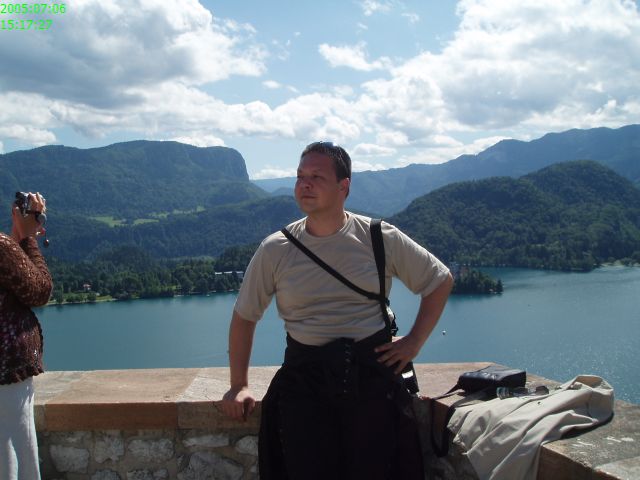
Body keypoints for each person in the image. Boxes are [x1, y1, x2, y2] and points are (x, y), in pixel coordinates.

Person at [220, 142, 453, 479]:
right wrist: (238, 385)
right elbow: (244, 317)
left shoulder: (379, 238)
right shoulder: (275, 249)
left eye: (316, 177)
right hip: (304, 384)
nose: (305, 184)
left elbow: (439, 280)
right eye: (300, 176)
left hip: (371, 382)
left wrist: (414, 341)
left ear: (344, 186)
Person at [0, 192, 52, 480]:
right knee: (14, 461)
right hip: (7, 382)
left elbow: (13, 274)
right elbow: (39, 289)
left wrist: (19, 234)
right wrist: (28, 236)